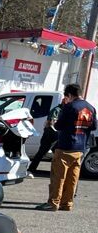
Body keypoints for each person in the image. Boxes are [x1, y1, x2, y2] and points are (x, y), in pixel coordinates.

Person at [38, 83, 96, 211]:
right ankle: (67, 203)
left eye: (67, 97)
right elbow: (93, 126)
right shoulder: (91, 108)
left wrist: (54, 123)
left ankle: (53, 203)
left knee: (58, 177)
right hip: (80, 147)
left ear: (69, 95)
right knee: (72, 178)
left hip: (65, 146)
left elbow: (59, 126)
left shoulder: (70, 107)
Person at [26, 102, 62, 179]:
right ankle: (31, 170)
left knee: (58, 154)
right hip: (50, 135)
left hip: (57, 135)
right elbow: (51, 122)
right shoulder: (57, 110)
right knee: (41, 153)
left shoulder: (65, 110)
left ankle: (57, 172)